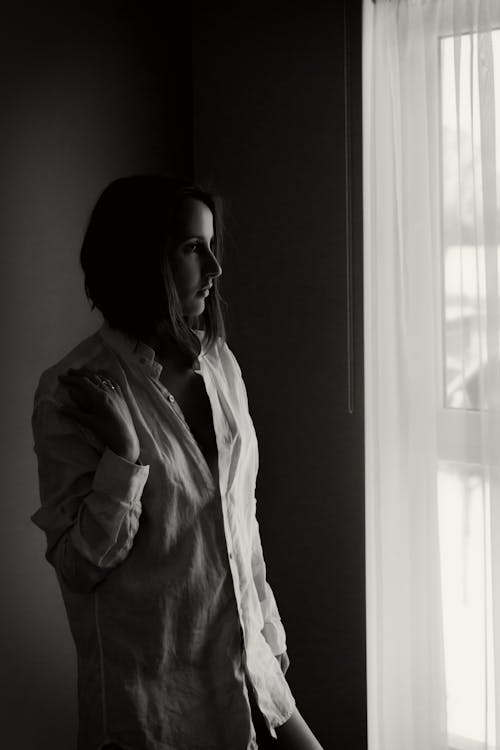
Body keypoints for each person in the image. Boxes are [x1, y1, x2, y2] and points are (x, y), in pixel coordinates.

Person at [31, 174, 324, 750]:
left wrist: (267, 625)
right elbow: (79, 565)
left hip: (249, 667)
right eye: (193, 248)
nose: (214, 268)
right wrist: (126, 456)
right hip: (156, 708)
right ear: (143, 260)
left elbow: (241, 517)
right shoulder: (71, 391)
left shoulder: (220, 366)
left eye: (211, 246)